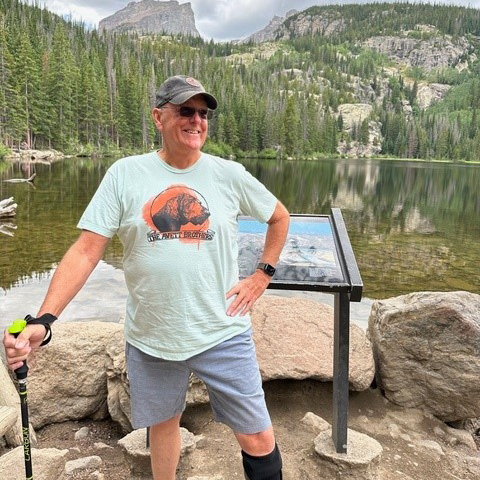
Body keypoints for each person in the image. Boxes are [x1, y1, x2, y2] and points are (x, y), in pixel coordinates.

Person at [3, 75, 290, 480]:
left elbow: (279, 217)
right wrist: (44, 320)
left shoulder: (229, 174)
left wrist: (262, 274)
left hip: (223, 331)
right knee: (163, 427)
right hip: (152, 335)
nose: (196, 121)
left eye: (202, 113)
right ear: (159, 117)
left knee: (258, 436)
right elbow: (86, 251)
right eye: (185, 111)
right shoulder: (125, 174)